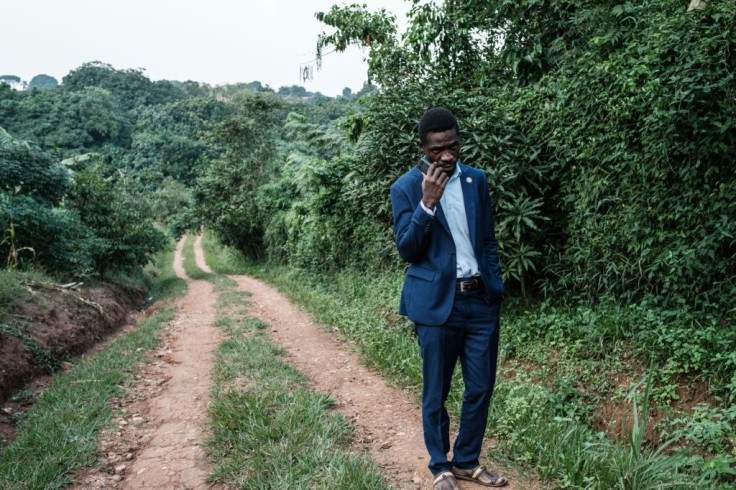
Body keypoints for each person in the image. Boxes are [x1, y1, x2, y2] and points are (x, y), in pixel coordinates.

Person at [390, 108, 508, 489]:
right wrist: (427, 204)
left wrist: (496, 287)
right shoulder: (405, 188)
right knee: (436, 390)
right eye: (438, 149)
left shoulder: (476, 180)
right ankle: (441, 466)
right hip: (435, 305)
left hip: (480, 302)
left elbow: (487, 239)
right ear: (423, 147)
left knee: (480, 386)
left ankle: (467, 460)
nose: (447, 156)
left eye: (453, 146)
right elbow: (408, 249)